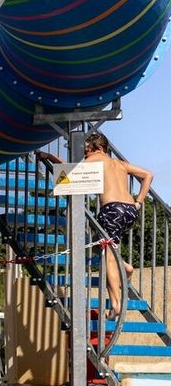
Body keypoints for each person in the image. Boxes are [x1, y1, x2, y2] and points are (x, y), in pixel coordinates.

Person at [37, 133, 154, 318]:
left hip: (112, 210)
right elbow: (148, 175)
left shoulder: (96, 159)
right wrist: (139, 202)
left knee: (107, 255)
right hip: (130, 210)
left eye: (86, 151)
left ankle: (116, 304)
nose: (85, 156)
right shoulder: (120, 164)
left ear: (97, 148)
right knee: (100, 246)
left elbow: (68, 173)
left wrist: (50, 158)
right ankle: (125, 267)